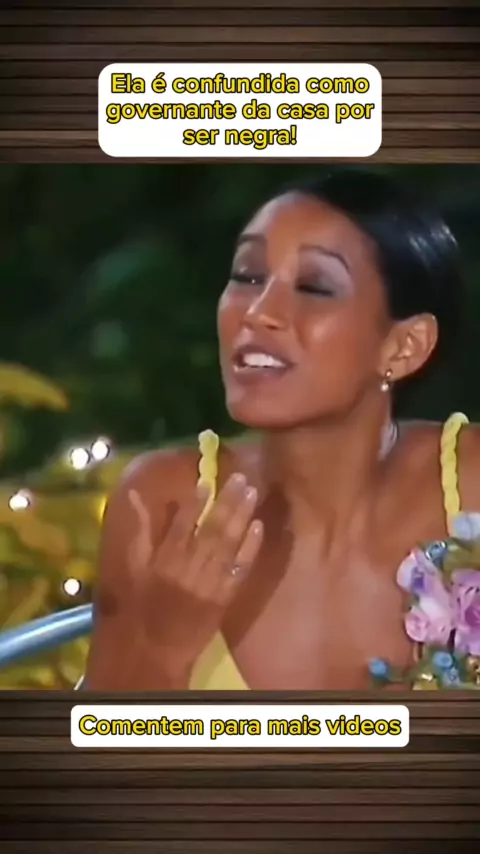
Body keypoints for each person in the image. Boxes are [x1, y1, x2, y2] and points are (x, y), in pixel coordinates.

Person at [83, 168, 480, 691]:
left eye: (315, 287)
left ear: (403, 347)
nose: (258, 312)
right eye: (248, 276)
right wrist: (164, 647)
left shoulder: (470, 484)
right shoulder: (164, 505)